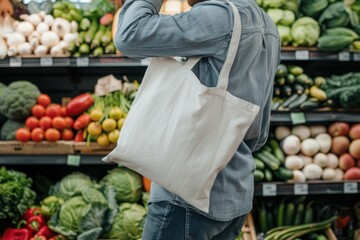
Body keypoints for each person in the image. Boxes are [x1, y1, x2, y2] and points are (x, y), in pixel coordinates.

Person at [114, 0, 280, 238]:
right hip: (237, 190)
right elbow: (260, 131)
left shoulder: (219, 17)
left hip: (187, 193)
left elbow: (129, 35)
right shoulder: (267, 24)